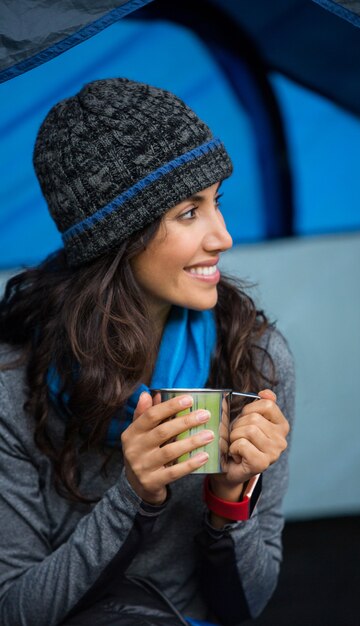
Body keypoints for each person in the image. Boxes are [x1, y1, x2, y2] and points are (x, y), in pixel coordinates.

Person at [0, 78, 294, 626]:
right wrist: (132, 494)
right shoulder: (13, 383)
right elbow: (15, 611)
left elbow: (246, 606)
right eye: (189, 212)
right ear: (118, 237)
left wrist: (230, 500)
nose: (223, 236)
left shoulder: (254, 357)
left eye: (216, 202)